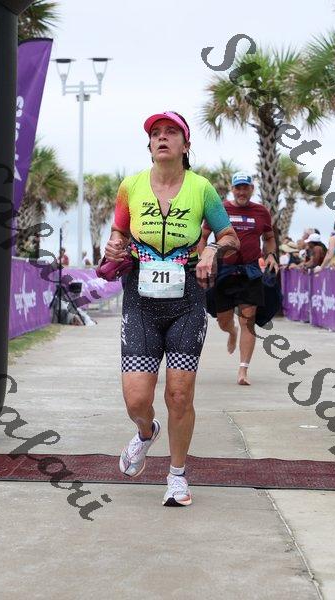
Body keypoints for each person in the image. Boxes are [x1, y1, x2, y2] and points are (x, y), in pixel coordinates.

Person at [104, 111, 238, 507]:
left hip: (187, 301)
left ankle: (177, 476)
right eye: (156, 133)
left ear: (185, 144)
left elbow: (230, 236)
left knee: (179, 394)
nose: (162, 138)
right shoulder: (130, 186)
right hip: (140, 302)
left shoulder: (201, 188)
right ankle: (146, 433)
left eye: (171, 132)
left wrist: (211, 250)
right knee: (136, 400)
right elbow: (119, 230)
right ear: (149, 145)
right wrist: (114, 245)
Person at [199, 172, 278, 386]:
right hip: (224, 270)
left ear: (252, 189)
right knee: (224, 320)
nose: (242, 192)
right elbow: (203, 237)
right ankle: (231, 332)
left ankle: (243, 369)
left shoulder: (261, 212)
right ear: (232, 189)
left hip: (250, 271)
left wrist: (271, 255)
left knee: (248, 320)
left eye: (245, 187)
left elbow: (269, 238)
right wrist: (204, 257)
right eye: (238, 188)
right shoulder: (220, 209)